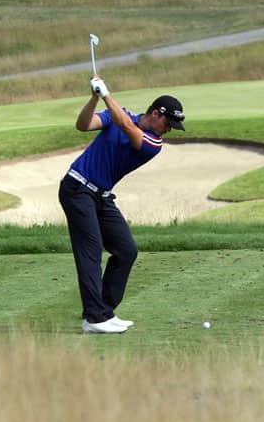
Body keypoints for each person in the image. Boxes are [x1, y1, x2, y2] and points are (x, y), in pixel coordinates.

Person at [58, 76, 185, 334]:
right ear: (156, 113)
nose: (169, 129)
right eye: (168, 123)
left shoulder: (153, 144)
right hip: (77, 188)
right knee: (90, 253)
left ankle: (104, 310)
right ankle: (94, 318)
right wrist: (94, 98)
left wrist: (106, 94)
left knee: (126, 250)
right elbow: (83, 125)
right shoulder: (119, 115)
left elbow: (128, 127)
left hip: (101, 196)